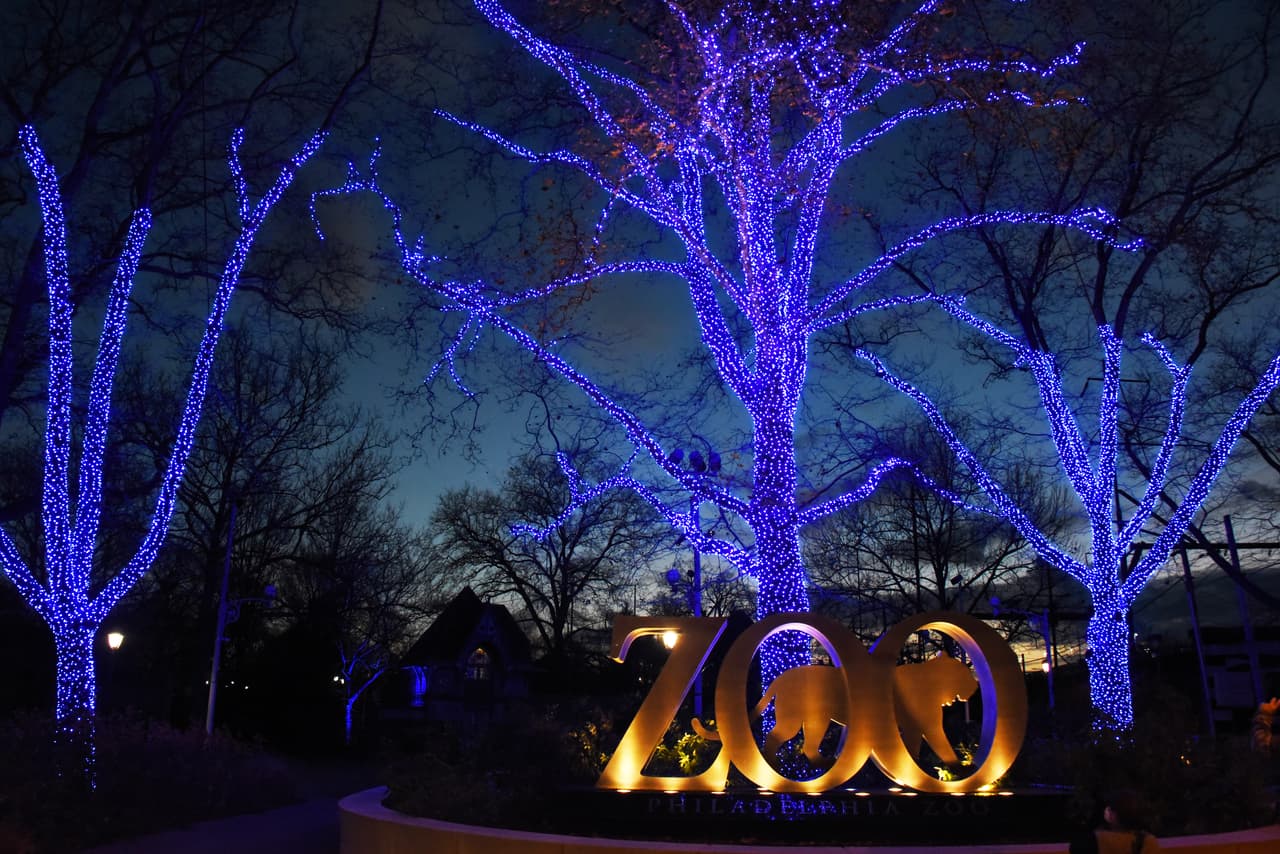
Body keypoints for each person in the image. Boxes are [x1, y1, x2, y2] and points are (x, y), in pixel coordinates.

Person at [1069, 789, 1159, 854]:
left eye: (1110, 809)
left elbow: (1074, 847)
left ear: (1114, 815)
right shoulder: (1148, 841)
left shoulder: (1096, 840)